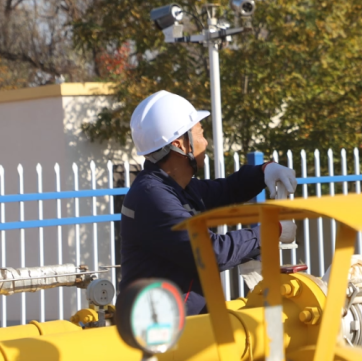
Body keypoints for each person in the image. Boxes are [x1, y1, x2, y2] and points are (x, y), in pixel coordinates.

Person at [119, 90, 297, 314]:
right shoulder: (153, 197)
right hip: (160, 330)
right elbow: (211, 253)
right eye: (200, 134)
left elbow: (227, 190)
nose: (206, 143)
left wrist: (264, 170)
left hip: (180, 320)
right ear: (180, 145)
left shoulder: (176, 187)